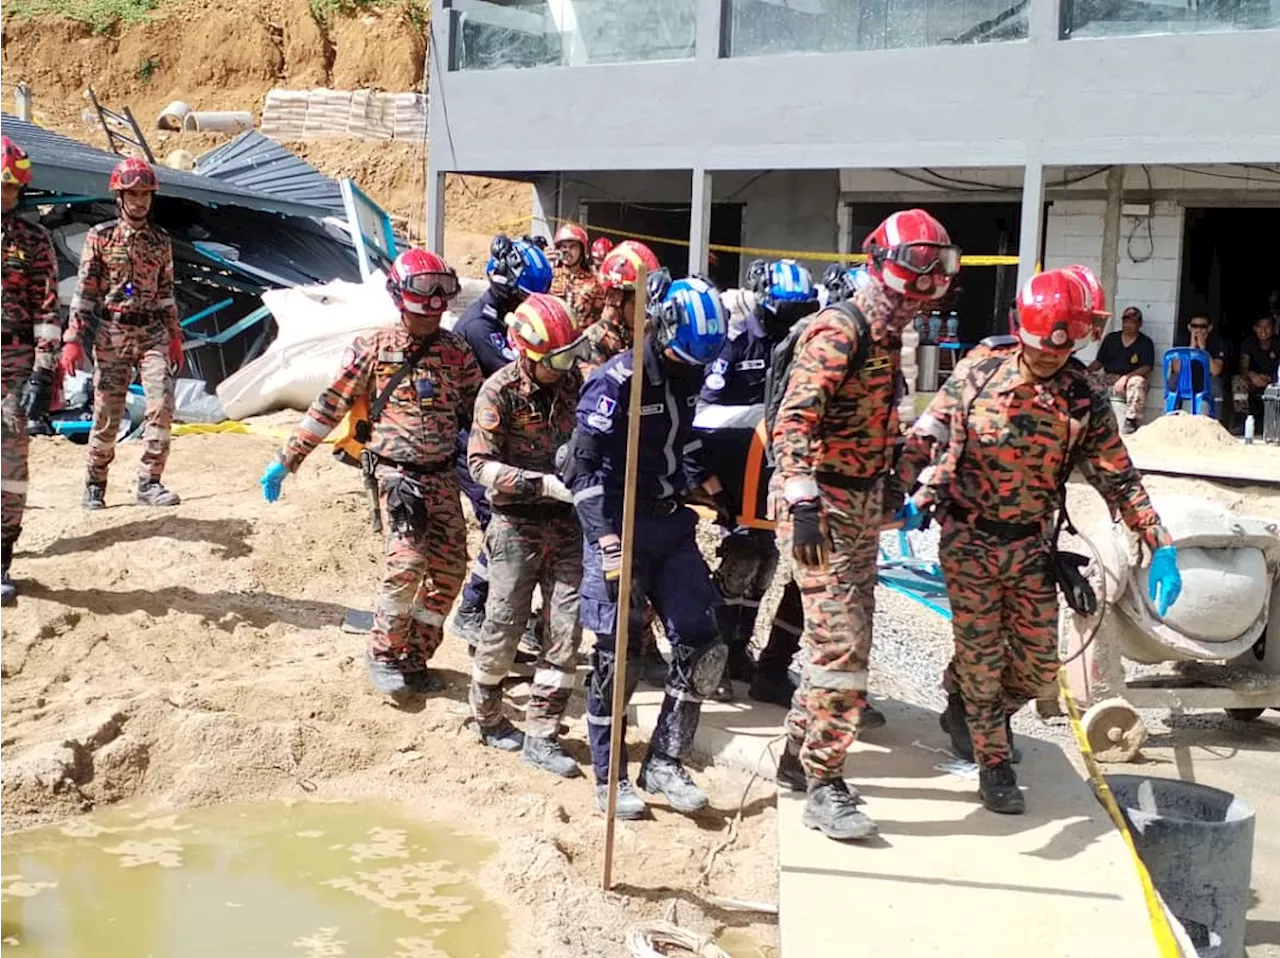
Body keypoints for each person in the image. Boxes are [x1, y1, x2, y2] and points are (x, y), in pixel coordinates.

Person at [899, 266, 1182, 816]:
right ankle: (994, 763)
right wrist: (901, 494)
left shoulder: (1083, 396)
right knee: (983, 658)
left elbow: (1118, 476)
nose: (1049, 359)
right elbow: (927, 435)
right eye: (1039, 349)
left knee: (1032, 667)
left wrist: (1160, 541)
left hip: (1031, 549)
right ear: (1019, 331)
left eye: (1060, 350)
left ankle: (966, 703)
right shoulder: (980, 370)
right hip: (969, 542)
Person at [772, 208, 959, 842]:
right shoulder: (840, 332)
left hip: (858, 505)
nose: (916, 310)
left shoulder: (888, 339)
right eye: (908, 296)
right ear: (880, 273)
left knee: (848, 637)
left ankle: (797, 759)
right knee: (842, 643)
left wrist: (910, 469)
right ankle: (825, 784)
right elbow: (792, 424)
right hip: (818, 507)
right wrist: (800, 502)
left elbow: (877, 430)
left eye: (924, 299)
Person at [259, 249, 482, 703]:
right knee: (406, 564)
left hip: (442, 477)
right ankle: (382, 651)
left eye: (442, 290)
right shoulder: (373, 348)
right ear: (401, 296)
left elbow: (480, 410)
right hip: (397, 476)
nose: (435, 301)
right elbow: (330, 404)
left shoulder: (456, 351)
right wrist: (288, 458)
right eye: (425, 291)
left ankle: (414, 657)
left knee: (449, 571)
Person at [564, 275, 730, 820]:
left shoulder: (691, 373)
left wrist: (706, 483)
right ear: (662, 333)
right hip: (619, 527)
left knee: (703, 645)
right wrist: (605, 537)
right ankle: (608, 776)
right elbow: (579, 467)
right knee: (619, 657)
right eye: (684, 359)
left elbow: (685, 438)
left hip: (670, 526)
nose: (693, 371)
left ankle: (665, 759)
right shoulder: (617, 383)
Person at [467, 293, 589, 776]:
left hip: (568, 525)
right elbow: (480, 464)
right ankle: (488, 717)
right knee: (502, 624)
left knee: (565, 628)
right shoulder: (498, 392)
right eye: (556, 359)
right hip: (517, 525)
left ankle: (542, 733)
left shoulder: (573, 382)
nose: (565, 367)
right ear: (527, 353)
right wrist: (540, 484)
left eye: (570, 356)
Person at [697, 259, 821, 705]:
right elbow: (704, 413)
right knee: (741, 562)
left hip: (769, 473)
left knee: (765, 564)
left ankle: (737, 650)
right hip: (728, 469)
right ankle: (707, 652)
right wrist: (766, 419)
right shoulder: (736, 342)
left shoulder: (803, 342)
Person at [61, 157, 184, 510]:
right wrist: (72, 339)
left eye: (146, 193)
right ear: (120, 196)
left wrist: (174, 336)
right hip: (112, 333)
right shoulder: (100, 238)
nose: (141, 201)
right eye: (133, 193)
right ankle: (95, 483)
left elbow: (165, 293)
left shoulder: (160, 241)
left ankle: (150, 482)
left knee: (161, 405)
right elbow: (85, 292)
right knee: (108, 415)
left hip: (152, 333)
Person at [449, 235, 554, 648]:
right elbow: (527, 372)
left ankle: (505, 617)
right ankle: (474, 610)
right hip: (473, 445)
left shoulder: (505, 322)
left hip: (503, 440)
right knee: (501, 528)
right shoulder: (480, 328)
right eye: (529, 296)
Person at [0, 136, 60, 604]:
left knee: (10, 466)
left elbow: (46, 310)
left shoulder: (34, 240)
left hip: (14, 364)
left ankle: (1, 557)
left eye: (13, 188)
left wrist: (43, 371)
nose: (7, 195)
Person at [581, 240, 660, 375]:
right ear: (615, 298)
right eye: (639, 302)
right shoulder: (594, 341)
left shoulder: (650, 334)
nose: (646, 311)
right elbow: (597, 391)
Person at [1086, 305, 1153, 435]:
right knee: (1086, 381)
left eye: (1132, 322)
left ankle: (1130, 421)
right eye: (1126, 321)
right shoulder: (1111, 339)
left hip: (1130, 378)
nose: (1128, 325)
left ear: (1140, 324)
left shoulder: (1145, 342)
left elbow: (1147, 367)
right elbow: (1099, 362)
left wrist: (1126, 378)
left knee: (1138, 382)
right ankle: (1090, 417)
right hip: (1109, 376)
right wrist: (1084, 372)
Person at [549, 223, 605, 329]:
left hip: (581, 339)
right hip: (553, 336)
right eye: (563, 247)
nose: (567, 251)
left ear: (582, 250)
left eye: (572, 247)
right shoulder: (549, 277)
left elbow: (601, 317)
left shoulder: (594, 282)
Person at [1166, 313, 1225, 413]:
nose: (1198, 330)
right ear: (1189, 327)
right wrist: (1191, 348)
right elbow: (1176, 369)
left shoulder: (1216, 342)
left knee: (1216, 384)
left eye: (1203, 326)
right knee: (1173, 380)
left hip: (1206, 380)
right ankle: (1171, 417)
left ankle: (1217, 421)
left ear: (1209, 328)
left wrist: (1203, 350)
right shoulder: (1182, 340)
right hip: (1186, 378)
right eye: (1194, 326)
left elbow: (1216, 371)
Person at [1232, 315, 1278, 426]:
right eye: (1260, 327)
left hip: (1275, 382)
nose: (1264, 330)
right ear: (1255, 328)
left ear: (1273, 328)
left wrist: (1271, 379)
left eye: (1267, 327)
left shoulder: (1278, 343)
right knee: (1238, 381)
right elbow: (1243, 368)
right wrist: (1253, 376)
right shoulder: (1249, 343)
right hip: (1253, 381)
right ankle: (1242, 421)